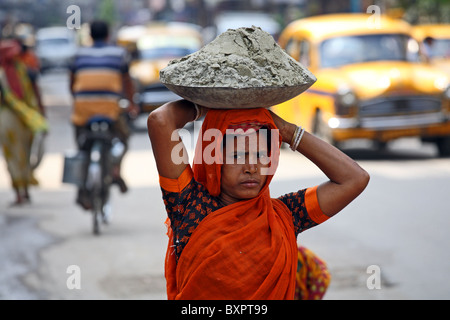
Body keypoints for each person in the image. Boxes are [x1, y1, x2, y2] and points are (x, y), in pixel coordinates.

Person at [147, 99, 369, 300]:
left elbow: (355, 178)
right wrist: (206, 107)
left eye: (261, 156)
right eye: (237, 156)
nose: (252, 167)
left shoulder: (285, 215)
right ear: (213, 161)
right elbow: (160, 120)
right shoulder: (190, 206)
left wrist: (287, 131)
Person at [69, 20, 138, 209]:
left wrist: (78, 99)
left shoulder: (78, 54)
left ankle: (82, 188)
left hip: (83, 109)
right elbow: (127, 83)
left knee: (82, 145)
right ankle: (115, 169)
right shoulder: (119, 53)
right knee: (123, 138)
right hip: (110, 110)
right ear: (108, 35)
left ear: (90, 35)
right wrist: (131, 105)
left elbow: (72, 84)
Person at [0, 39, 48, 205]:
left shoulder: (20, 72)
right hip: (26, 117)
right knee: (23, 155)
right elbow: (36, 94)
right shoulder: (25, 71)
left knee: (15, 156)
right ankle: (23, 190)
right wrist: (41, 114)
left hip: (12, 119)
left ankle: (20, 191)